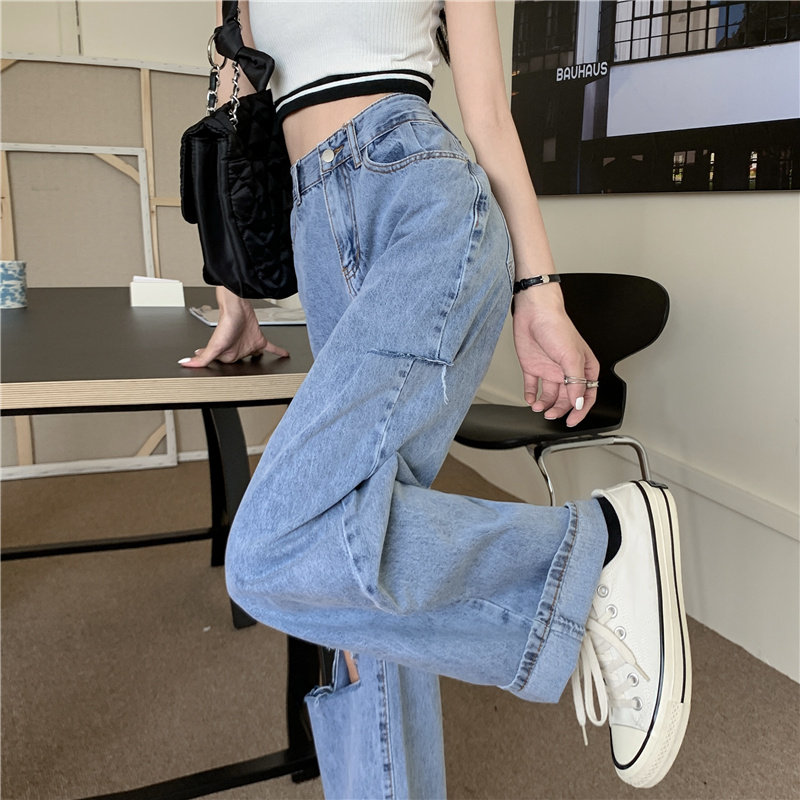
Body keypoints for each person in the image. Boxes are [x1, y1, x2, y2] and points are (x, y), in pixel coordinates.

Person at [180, 2, 691, 797]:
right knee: (351, 576)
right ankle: (589, 564)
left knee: (268, 551)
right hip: (315, 225)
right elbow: (234, 122)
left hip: (414, 193)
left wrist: (540, 291)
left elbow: (489, 116)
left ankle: (594, 549)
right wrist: (233, 291)